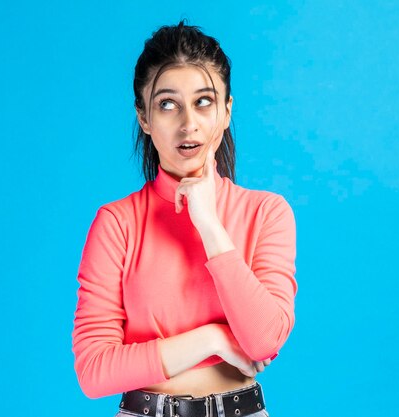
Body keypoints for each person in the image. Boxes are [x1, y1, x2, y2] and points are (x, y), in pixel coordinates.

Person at [72, 20, 297, 417]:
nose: (187, 123)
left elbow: (264, 341)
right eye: (167, 104)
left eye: (203, 101)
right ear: (144, 118)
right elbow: (93, 372)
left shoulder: (266, 213)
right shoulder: (117, 223)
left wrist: (209, 223)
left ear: (227, 112)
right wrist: (212, 339)